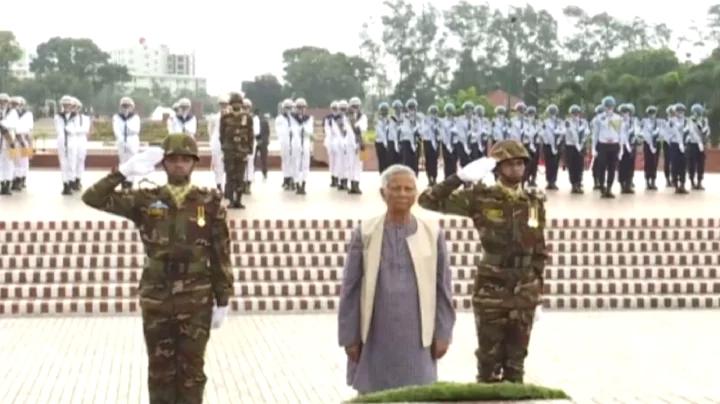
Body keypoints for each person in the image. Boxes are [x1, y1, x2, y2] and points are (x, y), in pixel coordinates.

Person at [81, 134, 233, 404]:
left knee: (192, 371)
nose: (179, 165)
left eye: (185, 160)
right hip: (157, 296)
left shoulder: (209, 202)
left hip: (196, 297)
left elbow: (221, 252)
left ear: (193, 164)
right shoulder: (146, 199)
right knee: (160, 371)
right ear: (163, 164)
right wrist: (125, 170)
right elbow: (92, 198)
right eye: (173, 159)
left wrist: (223, 299)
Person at [418, 139, 548, 383]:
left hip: (525, 288)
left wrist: (537, 290)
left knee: (517, 360)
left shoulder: (534, 200)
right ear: (497, 168)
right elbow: (427, 200)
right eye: (510, 164)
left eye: (520, 164)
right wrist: (460, 177)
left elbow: (540, 248)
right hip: (492, 287)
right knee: (488, 360)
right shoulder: (480, 197)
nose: (516, 169)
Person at [338, 164, 456, 394]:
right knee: (375, 393)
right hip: (374, 333)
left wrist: (443, 333)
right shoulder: (366, 232)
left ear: (416, 194)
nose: (402, 194)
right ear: (383, 193)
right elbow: (350, 288)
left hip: (418, 337)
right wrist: (349, 337)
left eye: (408, 189)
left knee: (417, 393)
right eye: (396, 188)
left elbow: (443, 288)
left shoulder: (432, 233)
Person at [220, 92, 254, 208]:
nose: (236, 105)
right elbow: (221, 134)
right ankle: (230, 200)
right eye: (234, 103)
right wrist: (224, 147)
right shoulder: (225, 117)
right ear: (231, 104)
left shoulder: (247, 117)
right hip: (229, 150)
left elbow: (250, 134)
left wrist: (249, 149)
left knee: (240, 176)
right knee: (230, 176)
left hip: (242, 150)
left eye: (238, 103)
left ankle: (238, 200)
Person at [592, 96, 623, 198]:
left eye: (611, 106)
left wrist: (621, 149)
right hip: (602, 145)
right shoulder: (599, 118)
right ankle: (602, 187)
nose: (609, 108)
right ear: (604, 107)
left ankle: (609, 188)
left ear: (613, 107)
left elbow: (620, 134)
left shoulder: (618, 118)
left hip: (613, 145)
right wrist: (593, 148)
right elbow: (595, 134)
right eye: (607, 106)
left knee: (612, 168)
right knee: (601, 167)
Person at [113, 96, 142, 190]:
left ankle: (130, 181)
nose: (125, 108)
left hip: (132, 140)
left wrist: (126, 127)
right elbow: (116, 129)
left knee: (132, 161)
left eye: (127, 106)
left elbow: (135, 129)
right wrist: (121, 138)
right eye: (124, 106)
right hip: (121, 140)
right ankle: (123, 181)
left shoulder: (135, 117)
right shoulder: (117, 117)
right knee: (123, 162)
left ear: (131, 107)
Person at [54, 95, 79, 195]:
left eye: (68, 105)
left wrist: (69, 129)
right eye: (65, 105)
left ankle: (71, 180)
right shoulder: (58, 116)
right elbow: (58, 129)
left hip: (72, 141)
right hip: (62, 141)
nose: (66, 107)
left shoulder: (76, 116)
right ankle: (65, 184)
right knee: (63, 164)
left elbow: (76, 129)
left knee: (72, 163)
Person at [290, 98, 313, 195]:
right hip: (296, 142)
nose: (301, 109)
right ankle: (297, 183)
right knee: (296, 163)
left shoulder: (309, 118)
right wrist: (301, 128)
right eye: (299, 107)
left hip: (305, 143)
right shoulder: (292, 118)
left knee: (305, 164)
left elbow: (309, 131)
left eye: (303, 107)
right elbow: (294, 129)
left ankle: (303, 183)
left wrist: (303, 128)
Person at [564, 105, 589, 194]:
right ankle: (573, 184)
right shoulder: (567, 122)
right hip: (571, 146)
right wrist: (577, 145)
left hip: (581, 146)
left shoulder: (584, 122)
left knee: (580, 166)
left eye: (577, 113)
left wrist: (582, 144)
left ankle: (578, 183)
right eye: (573, 113)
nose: (575, 115)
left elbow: (587, 132)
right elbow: (572, 134)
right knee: (571, 166)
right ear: (570, 114)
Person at [345, 97, 368, 194]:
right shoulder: (346, 118)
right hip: (350, 144)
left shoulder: (363, 117)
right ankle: (352, 185)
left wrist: (355, 125)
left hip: (360, 143)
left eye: (357, 106)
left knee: (358, 165)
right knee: (350, 164)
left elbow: (362, 128)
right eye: (353, 106)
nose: (355, 108)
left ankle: (357, 184)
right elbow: (347, 131)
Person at [208, 95, 230, 193]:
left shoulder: (232, 117)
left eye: (225, 104)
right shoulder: (214, 117)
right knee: (218, 165)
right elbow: (210, 130)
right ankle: (219, 184)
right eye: (222, 104)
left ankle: (227, 185)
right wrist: (211, 143)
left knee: (228, 165)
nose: (223, 106)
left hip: (228, 143)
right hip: (217, 142)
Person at [686, 103, 710, 191]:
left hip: (701, 144)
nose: (698, 113)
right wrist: (699, 142)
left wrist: (705, 135)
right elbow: (692, 131)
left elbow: (707, 130)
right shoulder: (690, 120)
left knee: (701, 163)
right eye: (696, 111)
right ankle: (692, 182)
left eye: (699, 111)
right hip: (692, 143)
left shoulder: (704, 120)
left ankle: (699, 181)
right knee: (691, 163)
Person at [618, 103, 639, 194]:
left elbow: (637, 132)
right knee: (621, 166)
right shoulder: (617, 121)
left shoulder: (634, 121)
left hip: (631, 146)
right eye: (623, 112)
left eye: (626, 112)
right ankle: (622, 185)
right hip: (621, 147)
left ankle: (628, 184)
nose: (625, 114)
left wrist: (637, 138)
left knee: (630, 166)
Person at [542, 104, 564, 190]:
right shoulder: (545, 122)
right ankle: (548, 181)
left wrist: (558, 141)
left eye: (553, 112)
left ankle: (553, 181)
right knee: (548, 163)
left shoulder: (560, 122)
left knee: (555, 164)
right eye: (551, 112)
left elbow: (563, 132)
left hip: (557, 144)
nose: (552, 114)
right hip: (547, 145)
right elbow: (542, 133)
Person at [241, 98, 261, 195]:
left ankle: (248, 183)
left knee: (249, 162)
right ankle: (242, 183)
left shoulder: (254, 118)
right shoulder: (239, 117)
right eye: (244, 107)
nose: (245, 109)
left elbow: (256, 131)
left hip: (250, 142)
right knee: (241, 163)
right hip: (241, 142)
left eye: (247, 107)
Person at [670, 103, 689, 194]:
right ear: (675, 112)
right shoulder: (671, 121)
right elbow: (671, 132)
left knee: (683, 165)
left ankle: (682, 184)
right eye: (678, 111)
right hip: (675, 145)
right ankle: (676, 185)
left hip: (684, 145)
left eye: (681, 111)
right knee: (675, 165)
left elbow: (690, 132)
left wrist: (685, 142)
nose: (680, 113)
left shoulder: (687, 121)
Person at [640, 106, 661, 191]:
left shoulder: (659, 122)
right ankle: (647, 181)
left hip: (657, 143)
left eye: (653, 113)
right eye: (650, 113)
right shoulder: (644, 122)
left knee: (655, 162)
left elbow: (662, 132)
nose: (652, 115)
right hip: (647, 144)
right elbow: (642, 132)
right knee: (648, 162)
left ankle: (653, 181)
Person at [276, 99, 295, 190]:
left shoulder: (294, 118)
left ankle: (292, 178)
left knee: (294, 161)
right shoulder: (279, 119)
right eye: (287, 108)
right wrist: (289, 132)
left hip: (294, 143)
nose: (289, 109)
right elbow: (280, 132)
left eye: (290, 108)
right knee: (285, 161)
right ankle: (286, 178)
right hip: (285, 143)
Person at [422, 105, 441, 185]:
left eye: (435, 112)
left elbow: (441, 131)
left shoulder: (439, 121)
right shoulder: (425, 121)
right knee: (428, 161)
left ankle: (435, 178)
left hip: (436, 142)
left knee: (434, 161)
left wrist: (437, 129)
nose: (433, 114)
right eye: (432, 112)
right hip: (428, 141)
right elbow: (423, 130)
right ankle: (429, 178)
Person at [441, 103, 458, 179]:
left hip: (454, 144)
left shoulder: (456, 121)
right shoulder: (442, 121)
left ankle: (453, 179)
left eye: (450, 111)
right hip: (446, 144)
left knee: (454, 163)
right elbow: (442, 133)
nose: (449, 113)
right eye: (448, 111)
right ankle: (447, 178)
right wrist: (447, 144)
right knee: (447, 162)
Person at [324, 101, 339, 187]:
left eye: (336, 108)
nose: (334, 110)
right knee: (332, 161)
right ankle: (333, 178)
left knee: (338, 161)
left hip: (338, 141)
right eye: (333, 108)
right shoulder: (328, 118)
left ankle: (338, 178)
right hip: (330, 140)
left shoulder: (341, 118)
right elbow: (326, 129)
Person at [374, 102, 391, 174]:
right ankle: (382, 176)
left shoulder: (390, 119)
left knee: (388, 160)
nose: (384, 111)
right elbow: (380, 132)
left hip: (389, 142)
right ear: (380, 111)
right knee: (381, 160)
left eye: (385, 110)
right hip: (380, 142)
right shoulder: (377, 120)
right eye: (382, 110)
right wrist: (385, 142)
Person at [256, 113, 270, 180]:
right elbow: (267, 132)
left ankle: (264, 172)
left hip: (261, 142)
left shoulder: (263, 122)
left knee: (263, 159)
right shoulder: (264, 122)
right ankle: (264, 173)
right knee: (263, 159)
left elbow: (267, 132)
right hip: (261, 142)